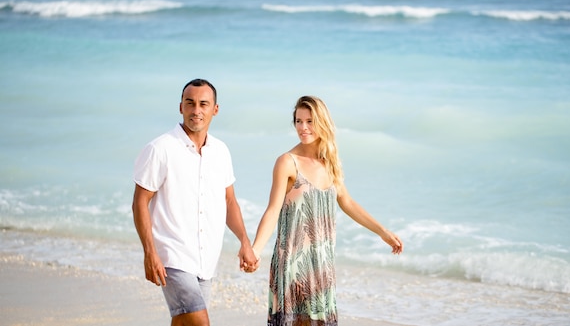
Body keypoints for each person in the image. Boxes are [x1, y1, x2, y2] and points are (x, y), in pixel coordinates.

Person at [249, 95, 403, 326]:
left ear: (322, 122)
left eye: (309, 121)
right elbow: (272, 210)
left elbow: (347, 202)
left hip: (322, 266)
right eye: (298, 121)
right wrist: (255, 250)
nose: (303, 127)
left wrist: (382, 232)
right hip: (293, 264)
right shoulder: (287, 162)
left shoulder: (329, 162)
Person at [132, 78, 257, 326]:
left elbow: (229, 201)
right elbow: (139, 202)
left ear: (215, 109)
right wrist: (150, 252)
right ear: (181, 107)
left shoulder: (220, 151)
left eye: (203, 104)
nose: (196, 110)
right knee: (201, 322)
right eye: (190, 103)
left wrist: (244, 242)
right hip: (172, 257)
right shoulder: (161, 149)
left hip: (206, 261)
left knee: (183, 322)